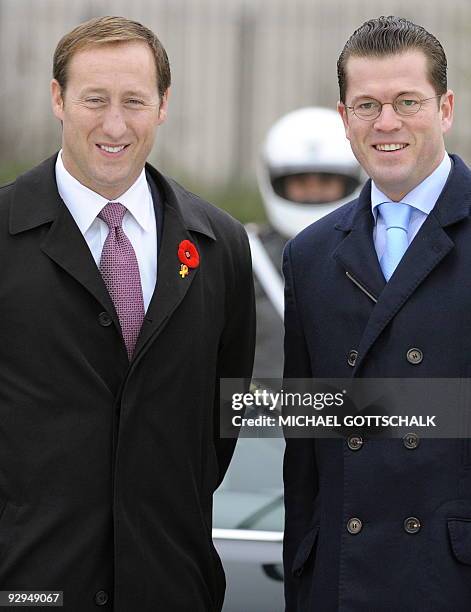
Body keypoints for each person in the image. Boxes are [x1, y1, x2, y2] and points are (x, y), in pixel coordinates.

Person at [0, 16, 255, 612]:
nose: (115, 124)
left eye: (135, 101)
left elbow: (223, 419)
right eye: (95, 99)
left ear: (164, 105)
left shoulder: (220, 246)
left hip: (171, 586)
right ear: (58, 99)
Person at [283, 15, 471, 611]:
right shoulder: (309, 255)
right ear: (343, 118)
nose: (386, 123)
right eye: (366, 105)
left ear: (445, 108)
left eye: (406, 101)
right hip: (341, 580)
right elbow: (302, 440)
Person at [250, 107, 362, 381]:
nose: (313, 191)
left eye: (326, 180)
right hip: (260, 418)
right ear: (277, 182)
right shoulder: (244, 256)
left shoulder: (375, 256)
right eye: (301, 181)